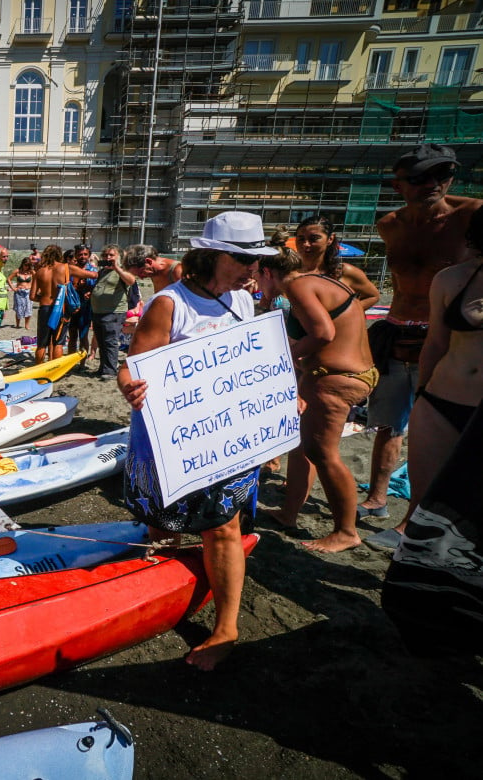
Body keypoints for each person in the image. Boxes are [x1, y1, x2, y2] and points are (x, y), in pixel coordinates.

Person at [116, 212, 276, 671]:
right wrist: (129, 384)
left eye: (255, 259)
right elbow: (133, 364)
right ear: (212, 255)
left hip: (225, 436)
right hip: (172, 439)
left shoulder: (243, 303)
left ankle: (226, 627)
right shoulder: (170, 303)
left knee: (223, 525)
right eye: (242, 258)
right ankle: (163, 593)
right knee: (163, 522)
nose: (251, 268)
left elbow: (252, 363)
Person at [360, 145, 482, 545]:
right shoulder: (389, 225)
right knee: (387, 423)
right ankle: (377, 498)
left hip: (450, 340)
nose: (435, 184)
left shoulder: (471, 215)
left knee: (442, 432)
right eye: (421, 178)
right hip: (397, 332)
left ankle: (412, 523)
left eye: (444, 174)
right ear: (399, 185)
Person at [257, 247, 377, 553]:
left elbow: (323, 333)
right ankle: (288, 513)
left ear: (267, 272)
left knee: (323, 455)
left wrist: (285, 357)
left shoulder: (296, 286)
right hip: (348, 373)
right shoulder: (317, 280)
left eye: (258, 278)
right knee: (302, 448)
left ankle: (346, 531)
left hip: (335, 379)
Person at [31, 244, 97, 364]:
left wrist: (45, 297)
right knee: (58, 343)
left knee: (41, 344)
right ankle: (55, 371)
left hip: (44, 307)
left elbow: (32, 296)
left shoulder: (39, 272)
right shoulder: (66, 268)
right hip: (61, 308)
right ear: (59, 255)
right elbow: (93, 275)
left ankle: (38, 369)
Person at [88, 244, 137, 380]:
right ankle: (103, 368)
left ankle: (110, 371)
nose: (108, 258)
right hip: (98, 311)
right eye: (105, 255)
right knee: (102, 341)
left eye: (111, 255)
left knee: (110, 341)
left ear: (118, 257)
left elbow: (131, 281)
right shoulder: (103, 271)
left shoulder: (122, 271)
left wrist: (116, 267)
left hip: (114, 312)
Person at [67, 246, 99, 365]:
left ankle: (82, 363)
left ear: (89, 255)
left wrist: (91, 292)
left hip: (86, 307)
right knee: (72, 336)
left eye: (85, 254)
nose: (83, 257)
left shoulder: (93, 270)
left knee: (84, 335)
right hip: (72, 307)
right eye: (80, 254)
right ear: (76, 255)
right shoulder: (70, 270)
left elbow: (98, 287)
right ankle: (69, 363)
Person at [11, 259, 34, 330]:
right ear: (22, 264)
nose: (26, 267)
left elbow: (38, 279)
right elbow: (8, 279)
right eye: (25, 265)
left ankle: (26, 325)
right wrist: (13, 288)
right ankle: (17, 324)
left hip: (28, 292)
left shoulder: (31, 272)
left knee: (28, 308)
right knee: (19, 308)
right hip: (19, 292)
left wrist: (35, 288)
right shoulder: (17, 271)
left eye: (28, 265)